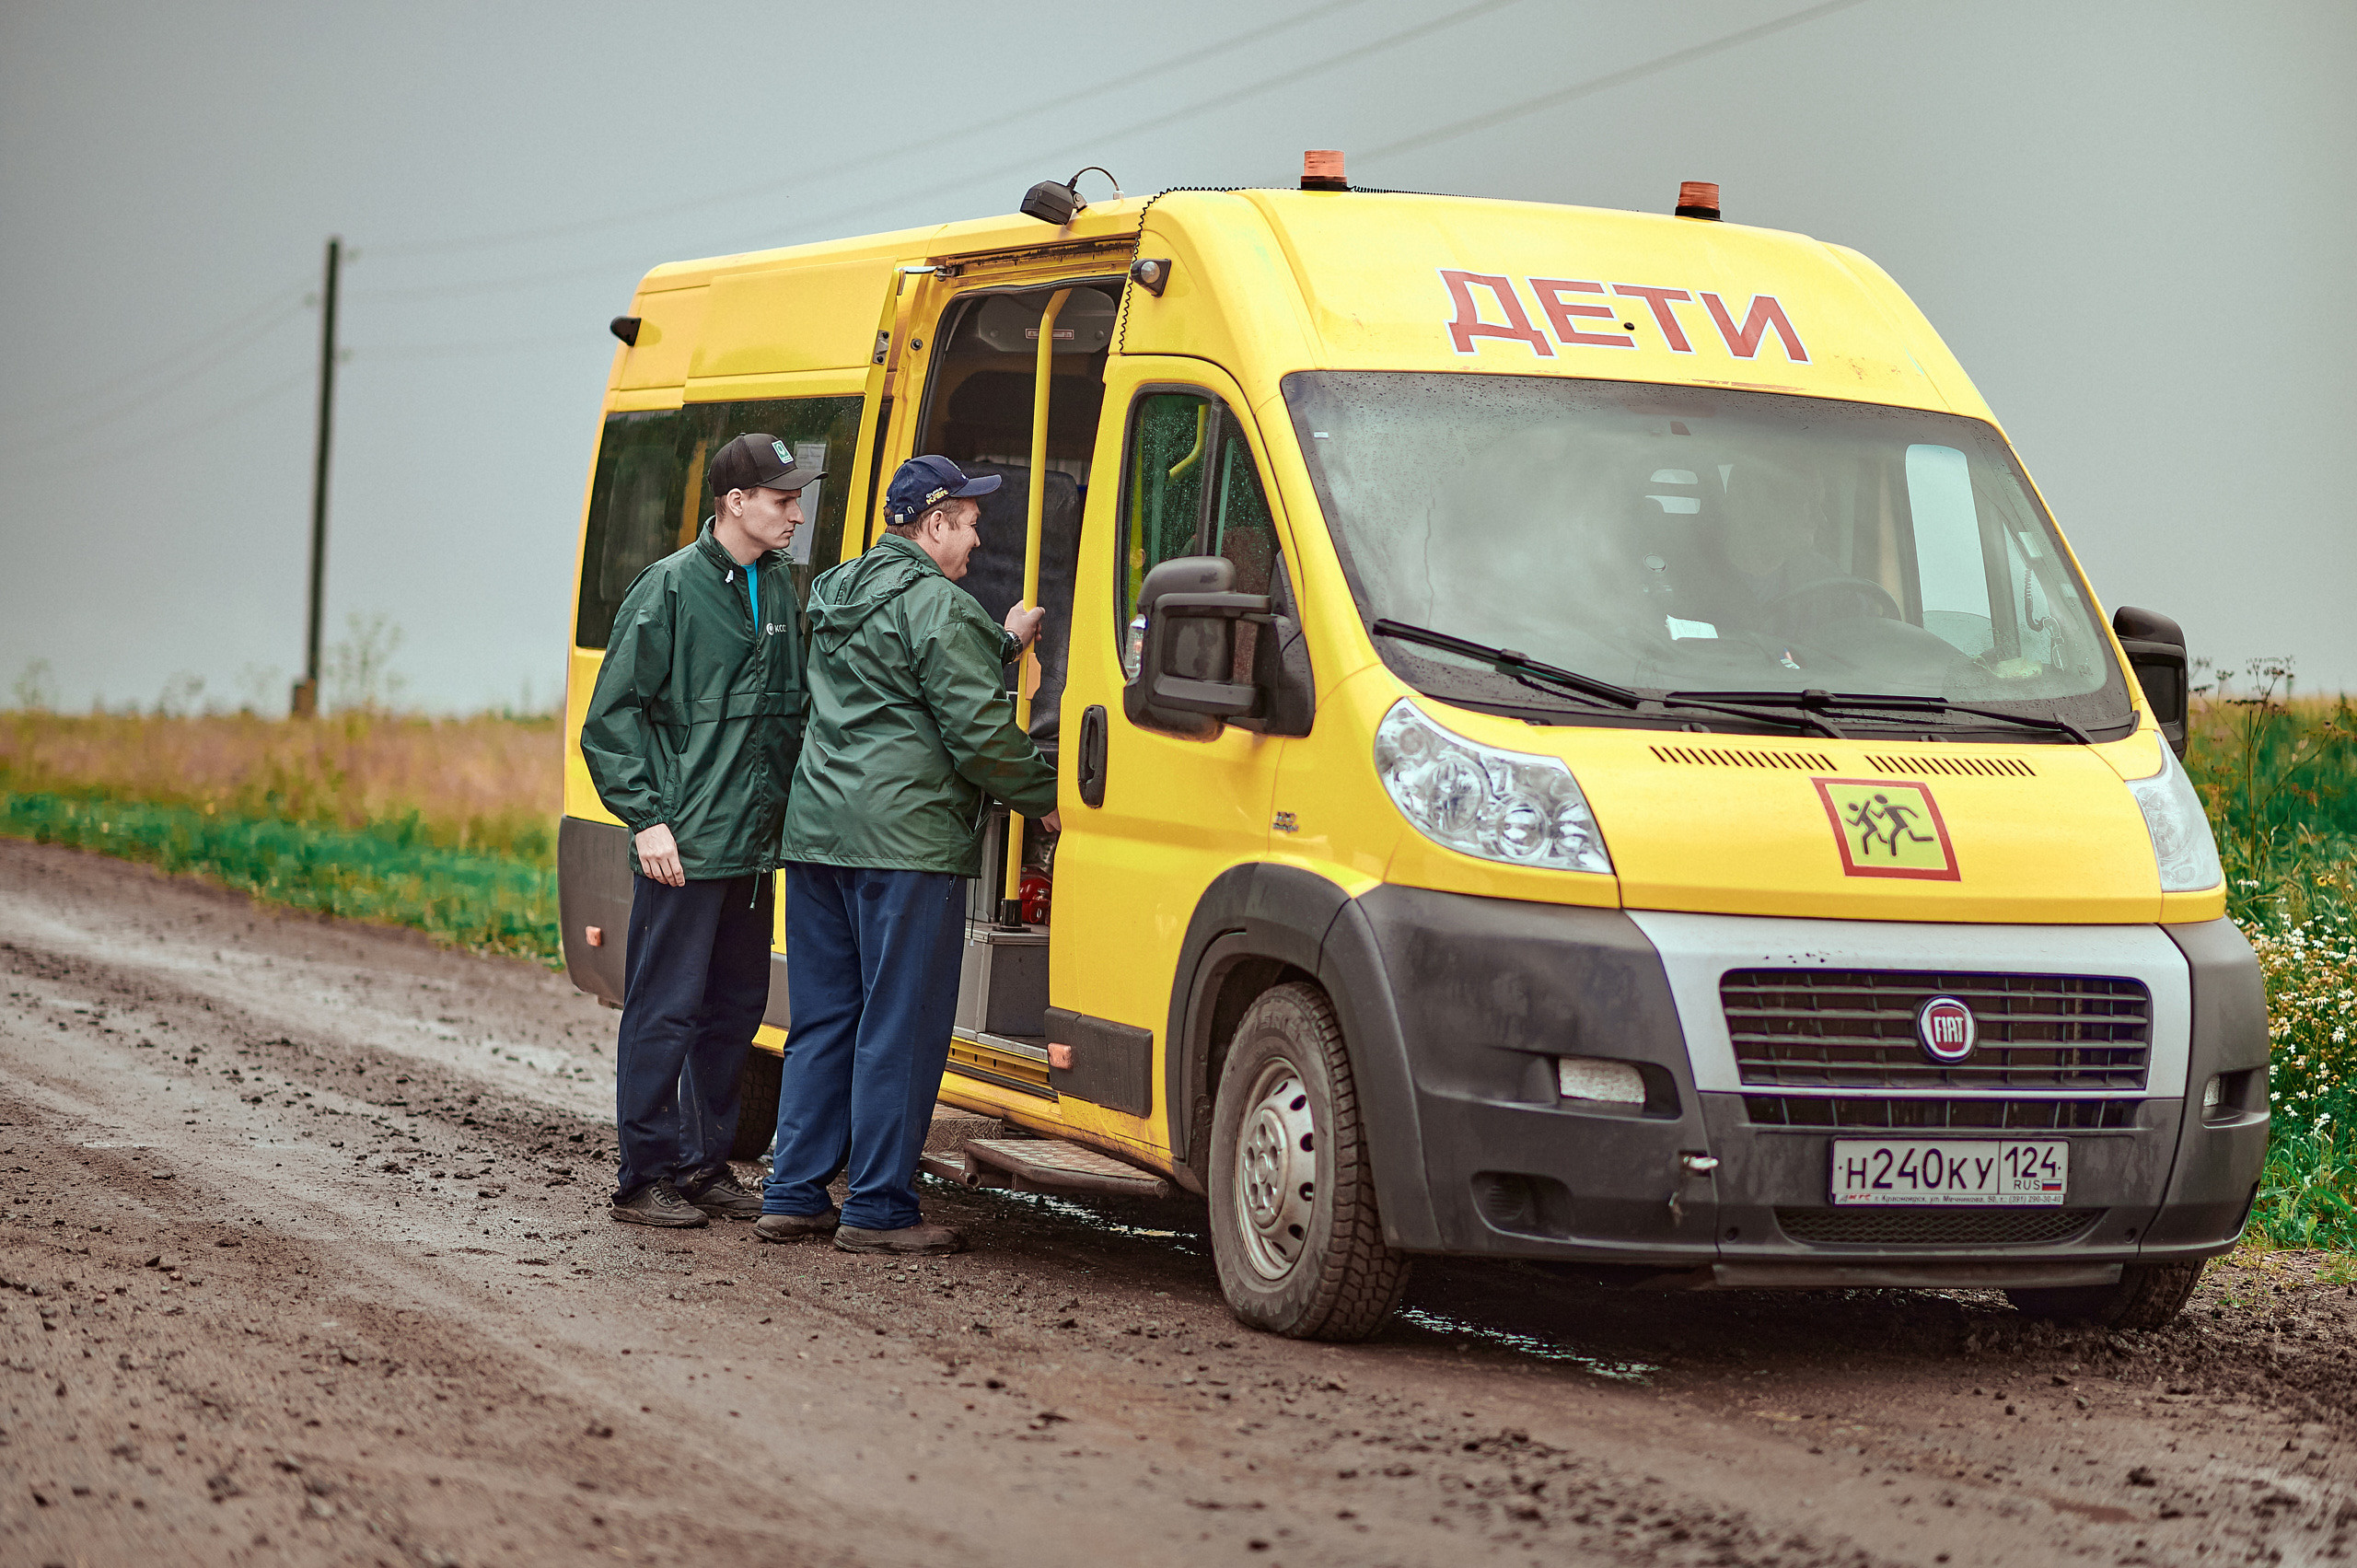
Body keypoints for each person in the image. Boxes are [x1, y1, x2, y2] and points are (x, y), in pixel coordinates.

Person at [758, 455, 1061, 1256]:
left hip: (821, 836)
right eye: (968, 523)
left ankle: (793, 1191)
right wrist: (1047, 796)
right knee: (901, 1021)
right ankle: (879, 1207)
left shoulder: (834, 590)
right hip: (906, 846)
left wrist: (998, 641)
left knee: (824, 1018)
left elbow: (891, 673)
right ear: (933, 525)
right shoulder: (940, 605)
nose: (976, 537)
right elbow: (979, 737)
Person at [580, 433, 820, 1227]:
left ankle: (702, 1163)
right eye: (782, 499)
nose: (795, 511)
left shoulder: (782, 588)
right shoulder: (670, 589)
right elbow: (610, 720)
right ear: (735, 503)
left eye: (795, 499)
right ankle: (642, 1172)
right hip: (682, 849)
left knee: (734, 1011)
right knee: (664, 1009)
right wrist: (647, 820)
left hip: (753, 850)